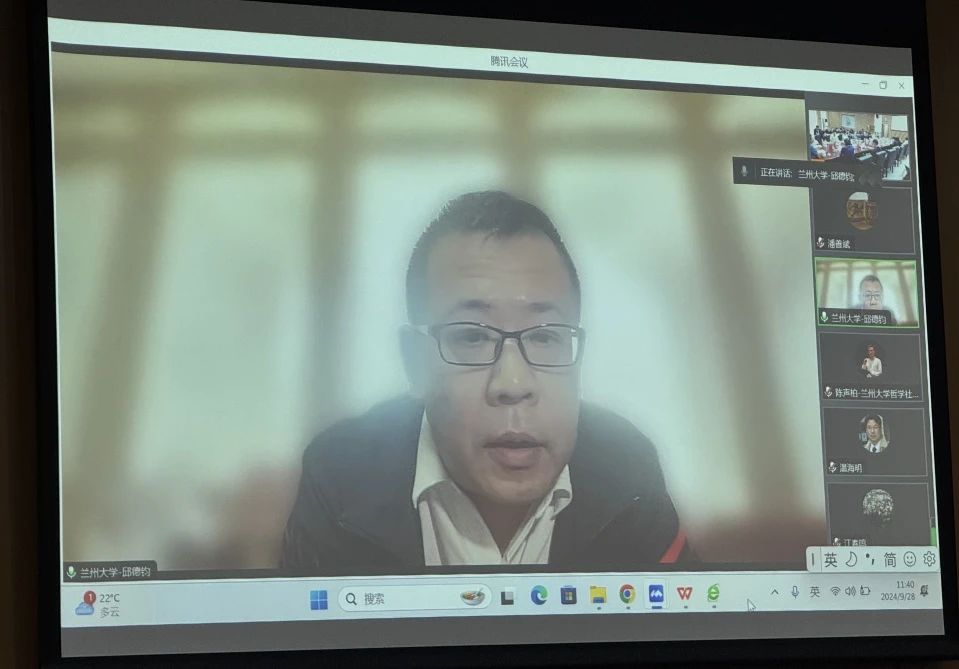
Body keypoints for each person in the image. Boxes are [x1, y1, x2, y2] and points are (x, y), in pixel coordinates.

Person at [280, 191, 691, 571]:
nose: (513, 384)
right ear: (414, 362)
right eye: (472, 337)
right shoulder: (339, 474)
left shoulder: (628, 468)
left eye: (545, 336)